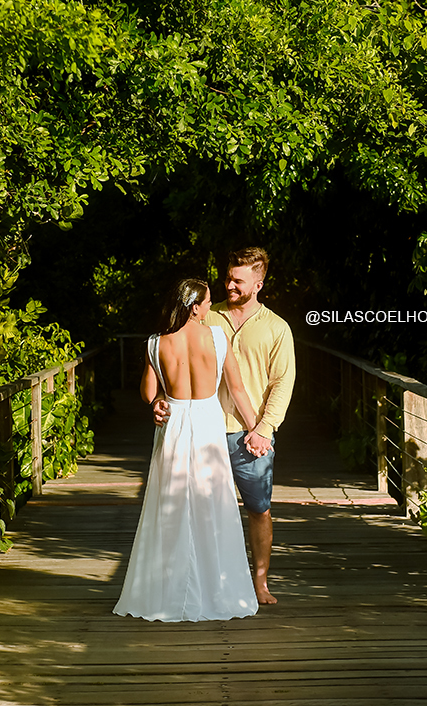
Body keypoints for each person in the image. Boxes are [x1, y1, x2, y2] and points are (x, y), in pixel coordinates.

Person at [113, 279, 265, 622]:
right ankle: (219, 591)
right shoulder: (217, 338)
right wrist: (257, 430)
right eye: (209, 302)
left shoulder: (155, 343)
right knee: (213, 506)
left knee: (171, 507)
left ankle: (166, 592)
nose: (212, 307)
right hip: (208, 425)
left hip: (175, 426)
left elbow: (149, 392)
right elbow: (238, 390)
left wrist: (157, 404)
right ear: (194, 306)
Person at [153, 248, 295, 606]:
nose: (229, 284)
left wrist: (263, 429)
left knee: (259, 508)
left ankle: (260, 583)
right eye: (228, 278)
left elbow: (283, 382)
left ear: (258, 284)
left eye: (238, 280)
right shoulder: (203, 316)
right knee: (202, 508)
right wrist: (158, 400)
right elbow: (167, 358)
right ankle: (208, 584)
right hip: (204, 430)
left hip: (251, 435)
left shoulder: (277, 329)